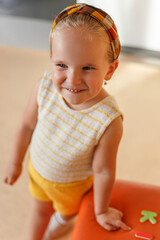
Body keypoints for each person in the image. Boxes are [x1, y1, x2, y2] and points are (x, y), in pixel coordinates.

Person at [4, 3, 131, 240]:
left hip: (70, 188)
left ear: (110, 70)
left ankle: (57, 228)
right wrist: (15, 162)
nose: (72, 79)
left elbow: (103, 170)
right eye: (62, 65)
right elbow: (26, 126)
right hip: (37, 169)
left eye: (88, 68)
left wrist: (101, 210)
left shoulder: (108, 120)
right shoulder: (44, 86)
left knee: (61, 219)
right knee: (40, 211)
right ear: (51, 59)